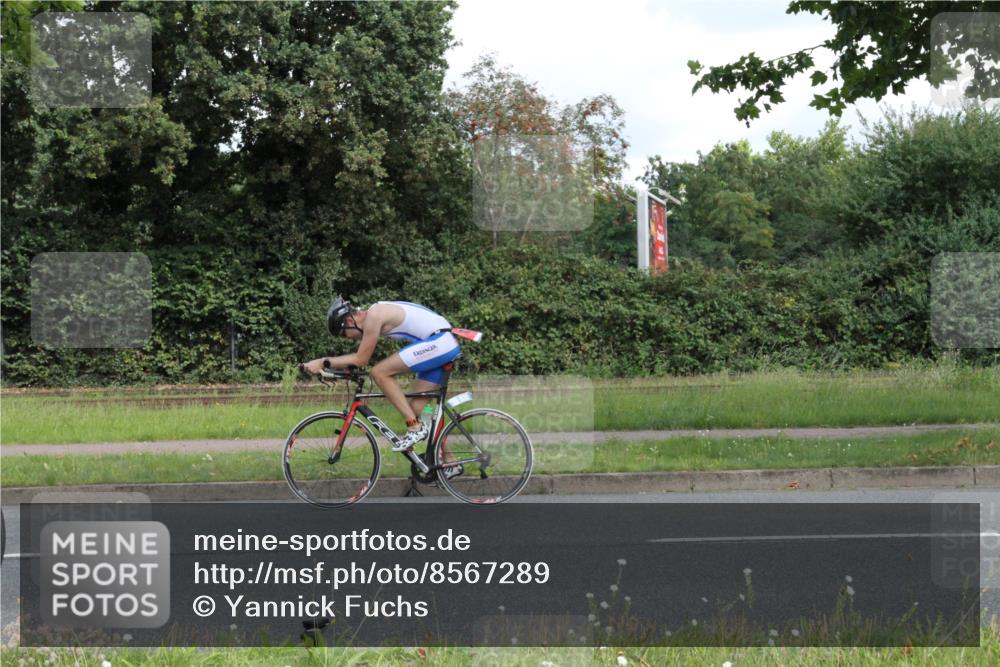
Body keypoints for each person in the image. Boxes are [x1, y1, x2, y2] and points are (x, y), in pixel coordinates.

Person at [300, 296, 461, 451]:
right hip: (440, 342)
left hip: (440, 341)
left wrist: (322, 361)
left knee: (379, 373)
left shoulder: (374, 316)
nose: (347, 339)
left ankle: (414, 427)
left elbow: (361, 359)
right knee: (415, 409)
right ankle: (448, 461)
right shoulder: (375, 313)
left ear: (349, 321)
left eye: (343, 334)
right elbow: (358, 359)